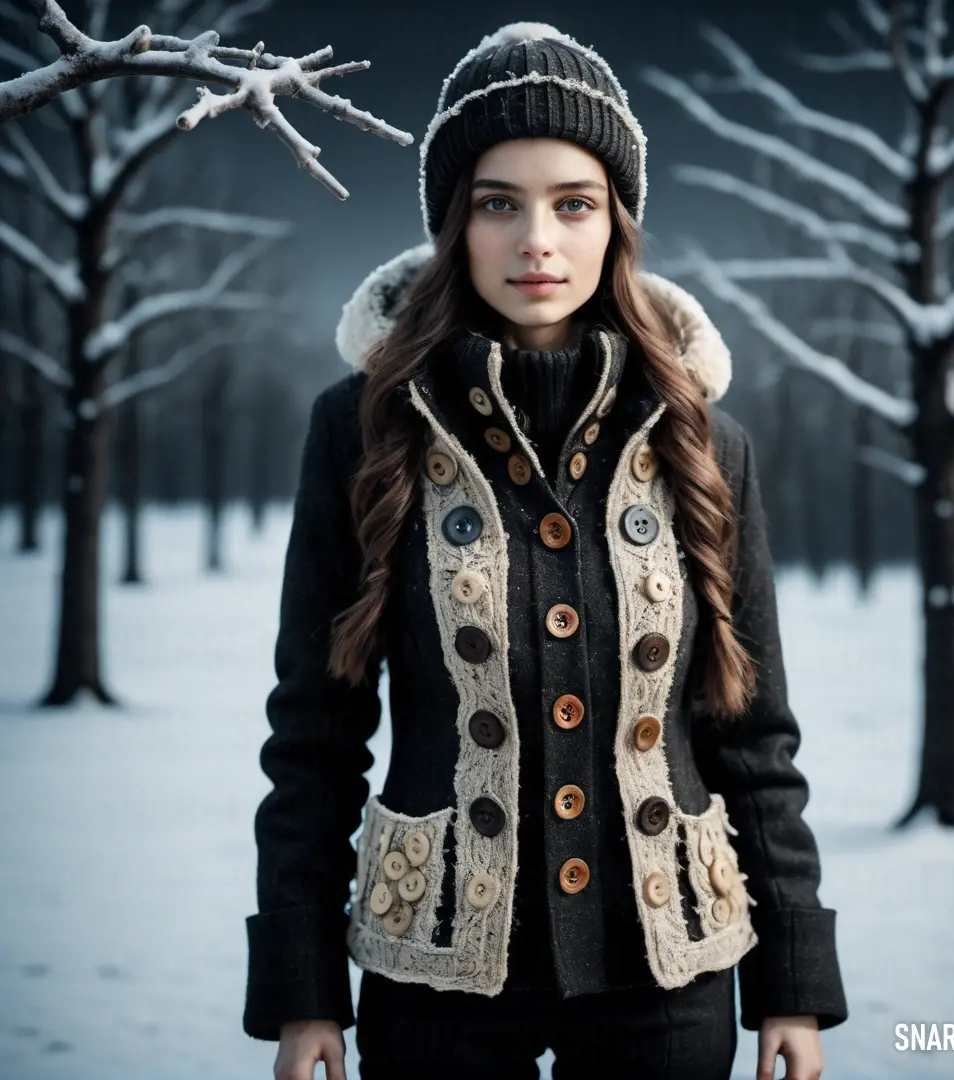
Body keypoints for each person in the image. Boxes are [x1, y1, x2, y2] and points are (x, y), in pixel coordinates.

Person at [242, 20, 848, 1080]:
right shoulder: (363, 428)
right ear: (452, 225)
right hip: (436, 974)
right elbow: (315, 731)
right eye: (497, 203)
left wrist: (793, 982)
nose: (538, 241)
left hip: (669, 973)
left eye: (573, 204)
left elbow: (754, 732)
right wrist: (303, 994)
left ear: (616, 224)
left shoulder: (705, 439)